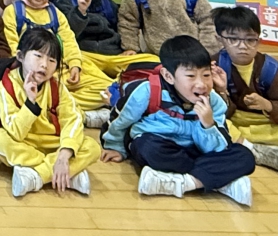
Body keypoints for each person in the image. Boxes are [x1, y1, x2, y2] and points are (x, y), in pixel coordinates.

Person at [102, 35, 255, 207]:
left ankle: (185, 182)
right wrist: (114, 147)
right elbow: (120, 120)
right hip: (162, 146)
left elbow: (216, 148)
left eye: (206, 75)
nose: (201, 84)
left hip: (196, 150)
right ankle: (219, 180)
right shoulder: (148, 91)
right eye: (190, 76)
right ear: (168, 76)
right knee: (148, 147)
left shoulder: (214, 102)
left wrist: (207, 124)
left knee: (245, 156)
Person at [0, 27, 100, 197]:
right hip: (25, 144)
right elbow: (15, 132)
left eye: (51, 60)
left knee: (92, 147)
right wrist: (30, 103)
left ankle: (36, 176)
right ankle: (67, 173)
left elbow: (73, 121)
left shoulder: (57, 87)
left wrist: (63, 156)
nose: (44, 64)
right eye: (38, 56)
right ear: (20, 56)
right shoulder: (7, 86)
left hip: (54, 144)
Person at [1, 0, 111, 123]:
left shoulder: (56, 14)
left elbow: (68, 40)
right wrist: (28, 69)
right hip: (32, 73)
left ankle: (65, 108)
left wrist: (74, 64)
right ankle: (75, 112)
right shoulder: (13, 12)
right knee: (43, 93)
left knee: (108, 89)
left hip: (59, 70)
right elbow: (11, 44)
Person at [212, 6, 278, 171]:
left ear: (259, 41)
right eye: (233, 39)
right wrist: (222, 92)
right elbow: (217, 111)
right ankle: (251, 145)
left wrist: (268, 105)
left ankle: (241, 140)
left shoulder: (269, 67)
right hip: (229, 118)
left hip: (257, 121)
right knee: (213, 122)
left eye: (250, 40)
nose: (242, 46)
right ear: (220, 39)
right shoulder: (214, 65)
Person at [52, 0, 157, 79]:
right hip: (85, 56)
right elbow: (66, 34)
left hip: (113, 57)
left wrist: (129, 49)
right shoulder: (63, 2)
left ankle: (116, 80)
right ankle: (112, 83)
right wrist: (80, 11)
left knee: (154, 62)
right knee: (68, 72)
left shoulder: (110, 5)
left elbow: (123, 27)